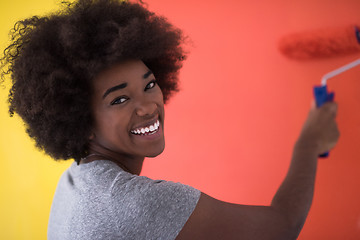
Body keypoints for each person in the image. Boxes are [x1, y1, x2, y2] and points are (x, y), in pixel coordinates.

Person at [1, 0, 339, 239]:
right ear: (79, 118)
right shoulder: (137, 203)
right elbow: (281, 228)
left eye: (149, 84)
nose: (148, 106)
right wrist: (309, 141)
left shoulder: (74, 180)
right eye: (119, 98)